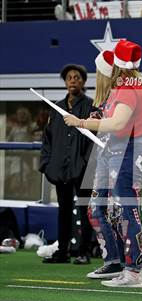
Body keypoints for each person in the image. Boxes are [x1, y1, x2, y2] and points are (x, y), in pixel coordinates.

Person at [64, 39, 142, 288]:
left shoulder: (127, 87)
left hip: (128, 151)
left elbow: (117, 124)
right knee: (126, 209)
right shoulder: (138, 85)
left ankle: (133, 271)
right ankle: (140, 268)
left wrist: (80, 122)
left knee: (126, 211)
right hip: (134, 151)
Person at [40, 64, 94, 264]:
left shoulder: (90, 106)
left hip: (82, 169)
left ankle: (84, 252)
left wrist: (86, 163)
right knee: (63, 210)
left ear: (83, 82)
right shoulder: (56, 108)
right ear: (65, 82)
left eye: (77, 77)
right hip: (60, 169)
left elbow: (95, 137)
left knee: (85, 209)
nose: (73, 80)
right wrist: (46, 164)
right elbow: (47, 139)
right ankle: (62, 251)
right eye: (70, 77)